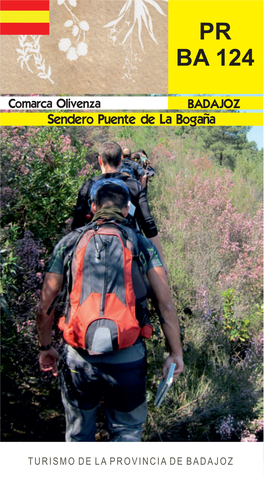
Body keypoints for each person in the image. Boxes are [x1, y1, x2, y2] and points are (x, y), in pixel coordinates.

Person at [37, 182, 184, 442]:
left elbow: (45, 305)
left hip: (79, 359)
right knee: (126, 432)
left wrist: (45, 346)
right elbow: (165, 304)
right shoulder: (142, 244)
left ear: (93, 207)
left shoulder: (69, 242)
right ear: (128, 210)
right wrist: (175, 353)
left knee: (79, 435)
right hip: (128, 358)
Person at [71, 140, 168, 276]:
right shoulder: (134, 185)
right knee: (157, 287)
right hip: (128, 245)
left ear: (100, 160)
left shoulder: (88, 185)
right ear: (120, 161)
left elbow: (77, 224)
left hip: (93, 247)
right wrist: (161, 262)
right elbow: (148, 224)